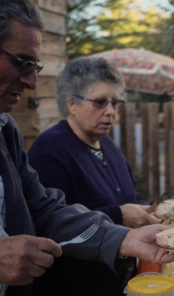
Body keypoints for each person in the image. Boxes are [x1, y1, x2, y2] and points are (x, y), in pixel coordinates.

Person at [0, 0, 174, 295]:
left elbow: (44, 212)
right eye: (22, 62)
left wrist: (122, 239)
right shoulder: (51, 147)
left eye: (35, 66)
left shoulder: (3, 130)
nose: (32, 81)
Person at [27, 57, 161, 295]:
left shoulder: (108, 145)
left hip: (118, 280)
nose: (110, 111)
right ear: (71, 104)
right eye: (99, 102)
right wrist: (119, 215)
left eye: (115, 103)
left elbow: (129, 196)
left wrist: (151, 210)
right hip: (74, 285)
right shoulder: (51, 149)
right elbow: (51, 223)